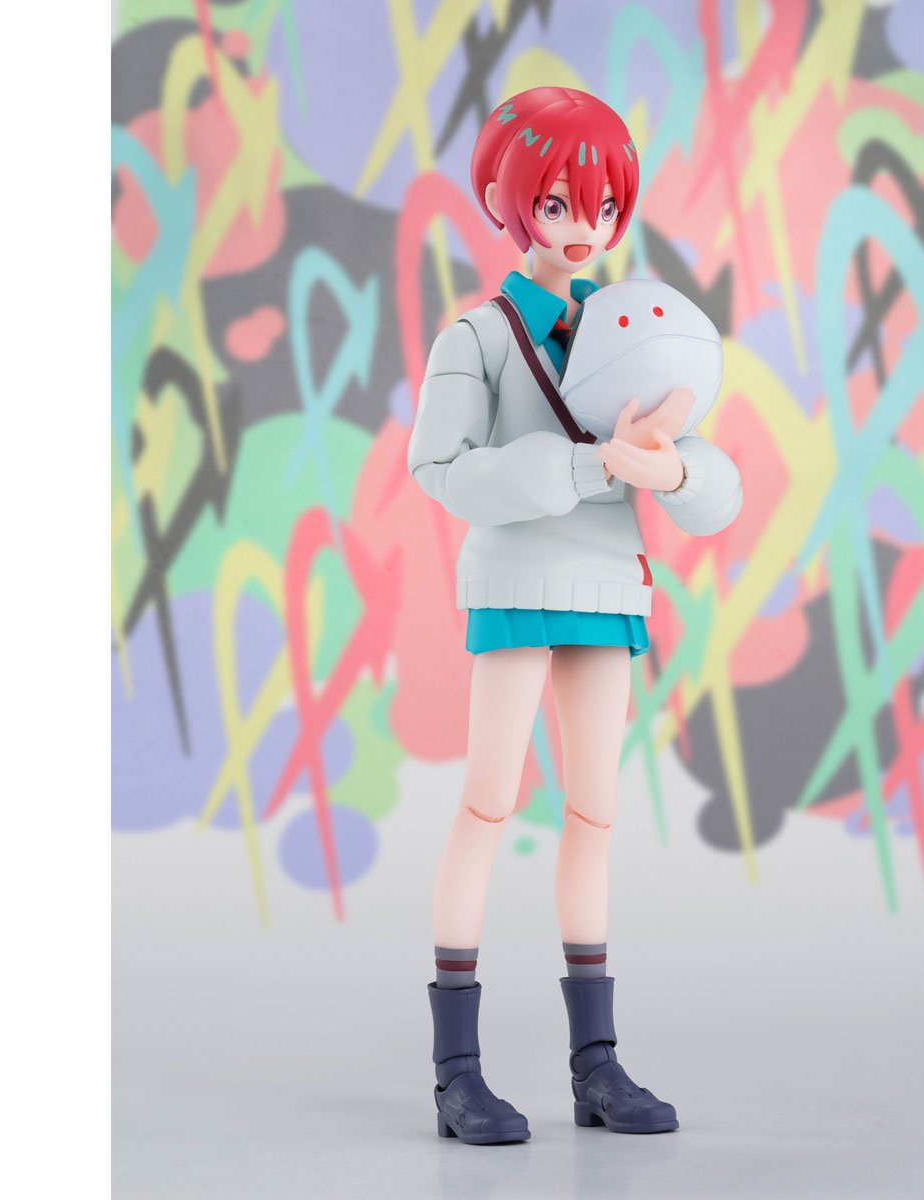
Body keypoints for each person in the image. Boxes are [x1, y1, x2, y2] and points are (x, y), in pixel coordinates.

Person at [407, 86, 743, 1144]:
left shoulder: (634, 329)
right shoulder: (480, 335)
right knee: (487, 805)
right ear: (510, 204)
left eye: (600, 207)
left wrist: (670, 467)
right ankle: (456, 1072)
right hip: (516, 584)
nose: (582, 227)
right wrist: (588, 465)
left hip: (605, 586)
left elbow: (714, 482)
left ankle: (596, 1063)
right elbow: (442, 468)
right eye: (556, 204)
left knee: (594, 813)